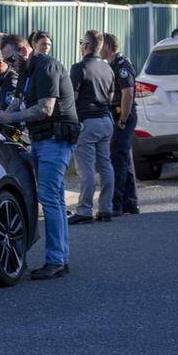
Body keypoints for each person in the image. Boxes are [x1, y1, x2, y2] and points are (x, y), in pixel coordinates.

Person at [0, 33, 80, 280]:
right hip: (42, 139)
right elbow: (17, 102)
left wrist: (10, 118)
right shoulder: (26, 71)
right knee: (56, 200)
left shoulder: (46, 66)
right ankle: (61, 258)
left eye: (11, 58)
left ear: (24, 50)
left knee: (50, 199)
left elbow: (45, 108)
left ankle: (55, 261)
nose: (10, 64)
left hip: (56, 138)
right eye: (6, 60)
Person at [68, 30, 116, 225]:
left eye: (82, 42)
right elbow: (111, 97)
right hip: (106, 120)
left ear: (86, 45)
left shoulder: (79, 68)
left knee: (86, 169)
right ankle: (106, 208)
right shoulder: (108, 68)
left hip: (87, 121)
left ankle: (85, 210)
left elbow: (73, 97)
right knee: (105, 165)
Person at [100, 33, 140, 215]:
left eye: (101, 44)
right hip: (117, 115)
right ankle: (130, 202)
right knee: (124, 158)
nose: (99, 47)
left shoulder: (122, 65)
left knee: (117, 158)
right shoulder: (110, 65)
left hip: (124, 116)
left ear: (108, 46)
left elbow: (128, 94)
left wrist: (123, 120)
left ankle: (116, 204)